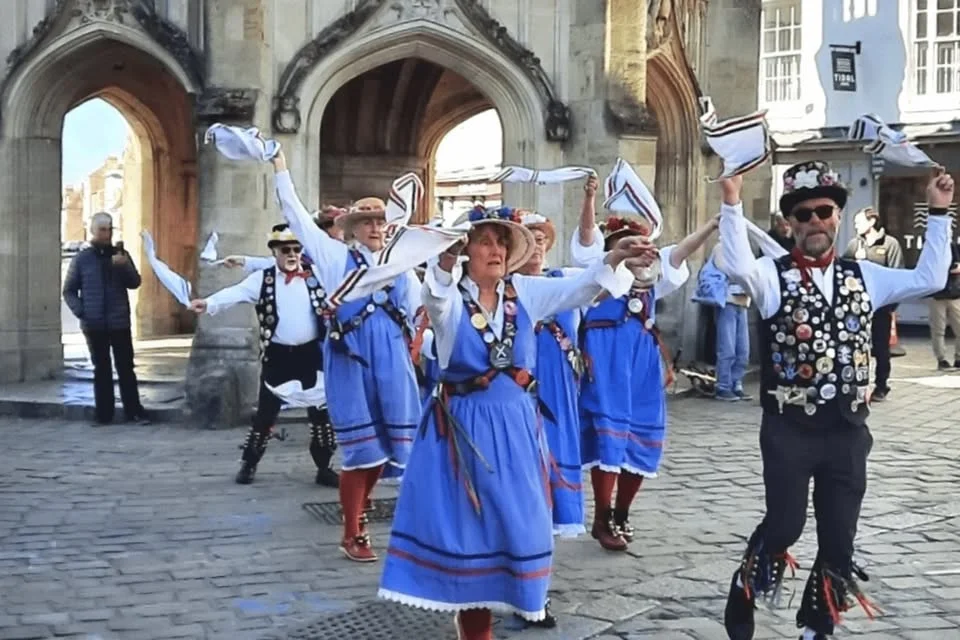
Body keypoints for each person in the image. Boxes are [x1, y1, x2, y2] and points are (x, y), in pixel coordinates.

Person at [377, 204, 644, 640]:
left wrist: (615, 257)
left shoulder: (525, 292)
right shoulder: (451, 298)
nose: (496, 250)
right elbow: (437, 300)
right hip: (464, 433)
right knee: (471, 535)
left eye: (501, 243)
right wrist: (445, 260)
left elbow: (578, 289)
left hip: (518, 429)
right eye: (485, 241)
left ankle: (519, 599)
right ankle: (475, 632)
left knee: (525, 527)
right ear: (466, 251)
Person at [717, 163, 953, 640]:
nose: (815, 222)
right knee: (785, 525)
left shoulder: (864, 275)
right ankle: (746, 584)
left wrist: (939, 211)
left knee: (839, 538)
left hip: (847, 429)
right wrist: (731, 201)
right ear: (790, 224)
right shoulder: (771, 276)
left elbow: (930, 276)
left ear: (838, 217)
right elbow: (736, 264)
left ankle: (818, 625)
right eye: (803, 215)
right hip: (789, 429)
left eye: (824, 211)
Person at [270, 152, 422, 563]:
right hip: (352, 361)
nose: (375, 228)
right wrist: (281, 169)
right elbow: (297, 217)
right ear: (352, 229)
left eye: (380, 222)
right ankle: (352, 531)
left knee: (389, 450)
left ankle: (363, 512)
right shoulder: (337, 258)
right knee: (362, 452)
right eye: (367, 222)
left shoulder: (401, 267)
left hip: (392, 363)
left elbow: (421, 312)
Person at [573, 205, 718, 552]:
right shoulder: (597, 277)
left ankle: (622, 512)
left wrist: (712, 225)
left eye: (642, 245)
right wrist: (589, 200)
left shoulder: (653, 281)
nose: (638, 252)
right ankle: (602, 516)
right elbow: (587, 237)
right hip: (607, 362)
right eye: (628, 245)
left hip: (642, 364)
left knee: (643, 432)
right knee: (610, 433)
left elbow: (680, 252)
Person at [188, 224, 345, 487]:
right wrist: (209, 303)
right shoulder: (263, 279)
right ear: (275, 253)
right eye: (286, 250)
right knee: (265, 414)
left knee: (321, 414)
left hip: (311, 354)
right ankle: (249, 464)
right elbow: (235, 293)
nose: (292, 254)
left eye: (296, 249)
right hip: (278, 356)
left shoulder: (316, 275)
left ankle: (324, 467)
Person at [62, 212, 149, 426]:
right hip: (94, 324)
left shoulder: (121, 255)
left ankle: (134, 411)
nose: (107, 234)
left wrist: (124, 265)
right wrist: (82, 311)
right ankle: (104, 414)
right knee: (101, 368)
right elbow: (69, 290)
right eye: (102, 229)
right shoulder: (82, 259)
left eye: (110, 229)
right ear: (93, 231)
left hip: (119, 322)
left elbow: (135, 282)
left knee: (125, 367)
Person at [842, 207, 904, 401]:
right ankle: (857, 384)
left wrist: (891, 305)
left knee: (881, 348)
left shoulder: (890, 244)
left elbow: (896, 274)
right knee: (856, 347)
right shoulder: (854, 244)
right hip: (857, 308)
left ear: (871, 222)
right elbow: (843, 270)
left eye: (859, 222)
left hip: (880, 306)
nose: (856, 226)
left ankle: (881, 385)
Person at [695, 243, 752, 401]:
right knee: (727, 348)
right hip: (726, 301)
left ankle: (736, 383)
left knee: (743, 349)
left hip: (742, 302)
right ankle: (723, 386)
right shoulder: (722, 247)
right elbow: (730, 270)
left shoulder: (742, 246)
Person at [928, 241, 960, 370]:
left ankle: (958, 358)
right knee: (938, 329)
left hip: (955, 293)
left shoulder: (953, 247)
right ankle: (941, 359)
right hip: (937, 295)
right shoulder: (930, 248)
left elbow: (957, 267)